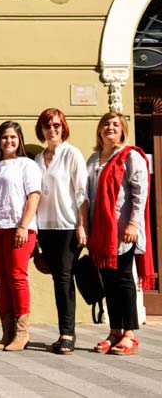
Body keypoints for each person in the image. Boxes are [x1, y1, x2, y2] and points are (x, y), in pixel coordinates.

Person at [86, 112, 153, 356]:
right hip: (101, 233)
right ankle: (115, 331)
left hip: (124, 231)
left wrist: (133, 224)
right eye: (106, 124)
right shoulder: (94, 159)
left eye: (115, 124)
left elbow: (140, 193)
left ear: (123, 130)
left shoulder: (131, 156)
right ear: (99, 130)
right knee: (109, 282)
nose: (110, 127)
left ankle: (129, 335)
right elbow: (87, 196)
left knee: (124, 280)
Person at [0, 121, 41, 352]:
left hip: (18, 227)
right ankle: (7, 331)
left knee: (17, 277)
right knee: (0, 281)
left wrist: (23, 226)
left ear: (20, 140)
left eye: (13, 137)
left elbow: (34, 196)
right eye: (4, 137)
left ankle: (22, 332)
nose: (9, 141)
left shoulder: (27, 165)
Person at [33, 108, 88, 355]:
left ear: (63, 127)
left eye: (56, 125)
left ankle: (67, 333)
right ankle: (64, 331)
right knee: (57, 279)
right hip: (45, 227)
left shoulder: (71, 153)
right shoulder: (38, 159)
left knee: (64, 279)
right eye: (47, 126)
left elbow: (81, 193)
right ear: (41, 130)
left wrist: (82, 226)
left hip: (67, 226)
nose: (52, 129)